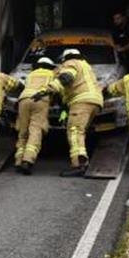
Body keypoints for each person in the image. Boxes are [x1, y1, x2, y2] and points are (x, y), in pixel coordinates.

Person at [55, 48, 106, 177]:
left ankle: (79, 165)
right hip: (95, 101)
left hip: (81, 101)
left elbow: (67, 77)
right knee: (81, 131)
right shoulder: (86, 66)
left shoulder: (71, 63)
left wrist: (49, 89)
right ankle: (81, 161)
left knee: (75, 130)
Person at [13, 56, 65, 175]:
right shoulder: (52, 74)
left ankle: (18, 161)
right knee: (36, 129)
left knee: (23, 132)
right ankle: (28, 160)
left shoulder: (30, 75)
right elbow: (57, 89)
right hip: (40, 100)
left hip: (24, 99)